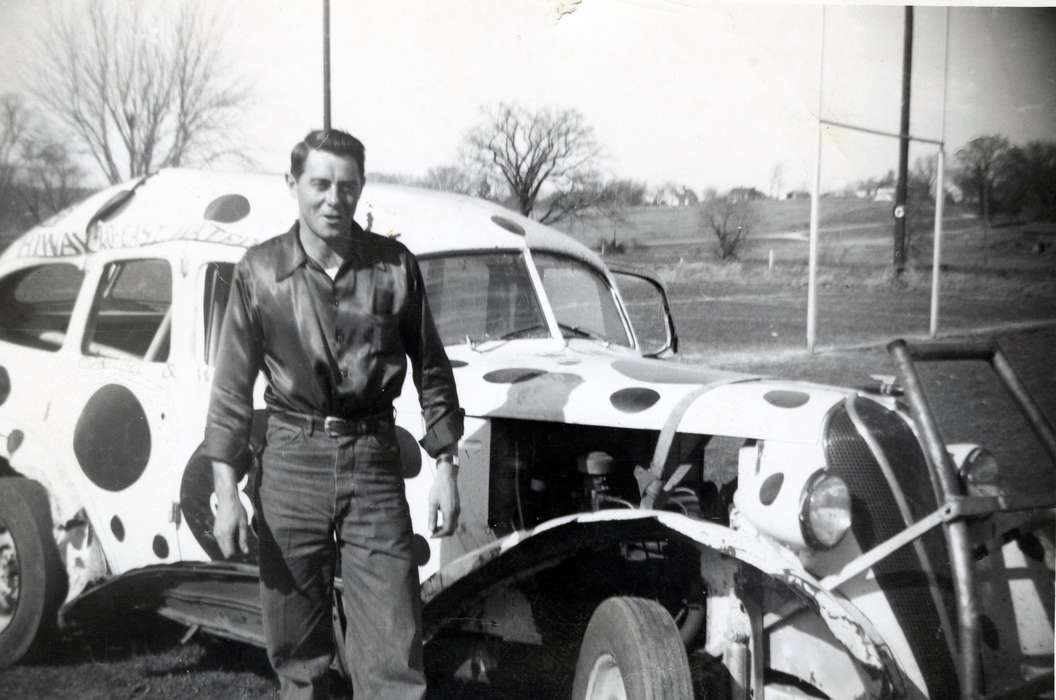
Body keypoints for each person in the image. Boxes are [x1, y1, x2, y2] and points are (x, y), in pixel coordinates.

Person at [202, 129, 463, 700]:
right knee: (299, 655)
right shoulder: (259, 271)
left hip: (373, 461)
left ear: (361, 188)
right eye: (319, 184)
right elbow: (228, 392)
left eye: (346, 186)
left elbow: (433, 371)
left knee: (394, 649)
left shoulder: (395, 267)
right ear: (292, 185)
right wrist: (225, 491)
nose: (332, 199)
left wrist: (446, 463)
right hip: (290, 462)